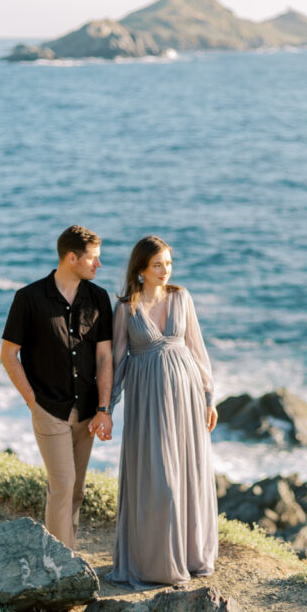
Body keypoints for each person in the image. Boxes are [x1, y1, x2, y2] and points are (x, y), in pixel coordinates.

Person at [107, 235, 218, 587]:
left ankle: (189, 556)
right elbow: (117, 361)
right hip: (148, 404)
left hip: (187, 399)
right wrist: (106, 408)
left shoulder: (182, 298)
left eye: (168, 263)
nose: (165, 270)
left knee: (188, 475)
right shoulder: (126, 309)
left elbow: (197, 349)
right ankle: (156, 562)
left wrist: (209, 396)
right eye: (157, 265)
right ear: (141, 269)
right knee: (160, 483)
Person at [0, 225, 113, 550]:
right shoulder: (29, 298)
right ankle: (59, 566)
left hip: (87, 410)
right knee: (62, 484)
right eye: (93, 258)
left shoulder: (98, 298)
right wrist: (32, 401)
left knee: (76, 489)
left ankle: (66, 553)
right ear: (71, 257)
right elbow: (9, 354)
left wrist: (104, 409)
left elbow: (104, 357)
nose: (98, 264)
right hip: (48, 408)